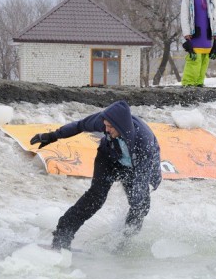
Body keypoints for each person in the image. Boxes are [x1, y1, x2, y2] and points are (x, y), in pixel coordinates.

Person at [30, 101, 162, 250]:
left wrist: (141, 197)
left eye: (110, 127)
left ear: (121, 126)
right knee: (95, 197)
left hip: (136, 168)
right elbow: (79, 125)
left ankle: (124, 244)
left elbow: (143, 175)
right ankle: (62, 235)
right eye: (105, 125)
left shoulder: (143, 140)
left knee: (140, 205)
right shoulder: (104, 121)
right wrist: (52, 136)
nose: (106, 129)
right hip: (109, 157)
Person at [180, 0, 216, 87]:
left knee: (204, 59)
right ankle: (188, 84)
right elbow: (184, 15)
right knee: (194, 59)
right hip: (194, 32)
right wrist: (186, 32)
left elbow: (215, 14)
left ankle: (199, 83)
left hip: (207, 33)